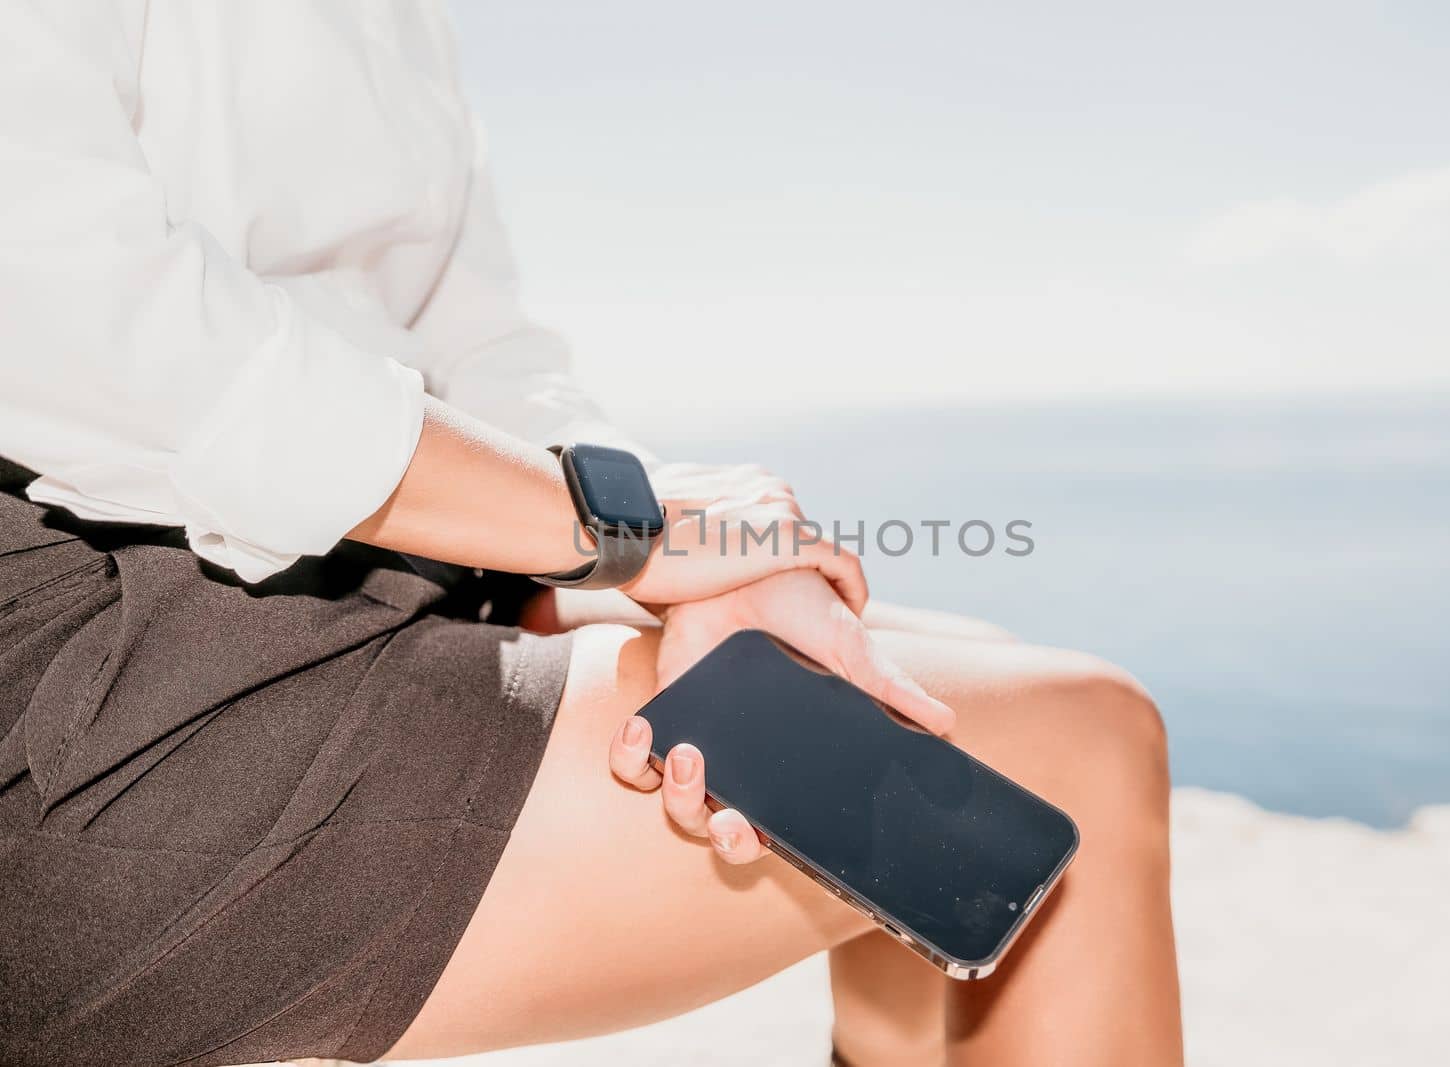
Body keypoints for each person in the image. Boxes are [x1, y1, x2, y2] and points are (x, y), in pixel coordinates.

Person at [0, 5, 1181, 1065]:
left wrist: (685, 560)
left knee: (906, 678)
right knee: (1071, 740)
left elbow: (487, 351)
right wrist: (620, 533)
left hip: (369, 557)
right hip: (87, 644)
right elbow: (73, 314)